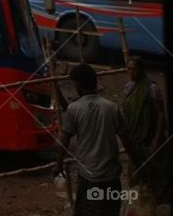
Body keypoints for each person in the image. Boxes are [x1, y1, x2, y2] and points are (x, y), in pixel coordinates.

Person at [55, 63, 134, 216]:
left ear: (78, 85)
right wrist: (138, 161)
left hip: (88, 177)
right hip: (110, 177)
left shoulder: (74, 109)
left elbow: (64, 141)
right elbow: (126, 140)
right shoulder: (111, 108)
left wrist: (58, 166)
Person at [120, 56, 170, 206]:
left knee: (155, 177)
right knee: (136, 179)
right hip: (135, 142)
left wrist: (156, 139)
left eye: (134, 69)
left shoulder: (152, 88)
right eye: (128, 69)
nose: (131, 72)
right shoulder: (129, 87)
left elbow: (160, 114)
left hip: (149, 140)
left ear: (141, 69)